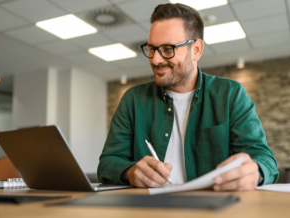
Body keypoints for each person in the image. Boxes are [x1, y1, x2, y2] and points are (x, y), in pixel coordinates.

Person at [97, 3, 279, 191]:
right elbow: (107, 163)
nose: (155, 59)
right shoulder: (133, 100)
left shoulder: (230, 94)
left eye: (168, 49)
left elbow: (265, 160)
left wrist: (255, 171)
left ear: (196, 50)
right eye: (151, 48)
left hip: (212, 206)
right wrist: (130, 172)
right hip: (148, 207)